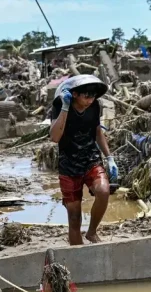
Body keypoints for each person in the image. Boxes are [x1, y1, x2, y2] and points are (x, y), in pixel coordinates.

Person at [49, 75, 117, 245]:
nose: (90, 100)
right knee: (74, 217)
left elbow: (97, 132)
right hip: (68, 163)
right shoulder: (59, 105)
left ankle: (92, 232)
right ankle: (77, 254)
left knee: (103, 191)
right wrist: (65, 107)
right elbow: (55, 137)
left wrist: (109, 157)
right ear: (75, 94)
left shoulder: (95, 106)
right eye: (86, 96)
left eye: (93, 96)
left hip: (90, 158)